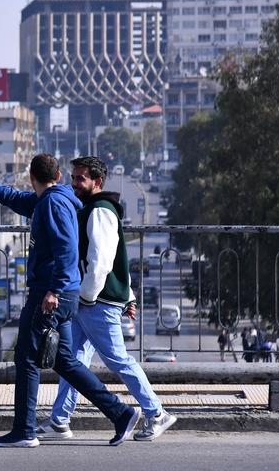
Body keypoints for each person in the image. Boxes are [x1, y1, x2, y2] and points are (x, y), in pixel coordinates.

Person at [0, 155, 140, 448]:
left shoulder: (51, 203)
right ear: (60, 175)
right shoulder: (51, 198)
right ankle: (120, 413)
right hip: (61, 293)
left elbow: (66, 251)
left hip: (50, 294)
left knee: (25, 358)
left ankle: (24, 431)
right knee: (64, 361)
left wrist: (54, 291)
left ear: (30, 176)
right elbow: (15, 198)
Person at [36, 156, 176, 443]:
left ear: (97, 181)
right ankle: (60, 420)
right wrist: (127, 295)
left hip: (95, 302)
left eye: (80, 179)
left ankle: (157, 413)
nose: (74, 183)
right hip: (90, 300)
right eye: (73, 177)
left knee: (118, 360)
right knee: (72, 359)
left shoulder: (100, 211)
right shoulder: (90, 209)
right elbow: (116, 262)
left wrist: (86, 297)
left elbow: (101, 262)